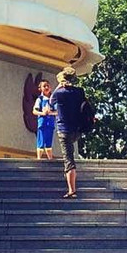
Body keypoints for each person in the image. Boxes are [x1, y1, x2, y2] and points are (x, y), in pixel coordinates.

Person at [50, 68, 89, 199]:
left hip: (64, 129)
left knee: (69, 159)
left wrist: (58, 86)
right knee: (70, 152)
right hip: (77, 129)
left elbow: (51, 102)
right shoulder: (79, 92)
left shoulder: (59, 93)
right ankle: (71, 184)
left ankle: (72, 190)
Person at [33, 79, 56, 160]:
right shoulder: (40, 99)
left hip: (50, 123)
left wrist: (51, 113)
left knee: (49, 141)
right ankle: (39, 158)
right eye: (44, 86)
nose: (46, 87)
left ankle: (50, 158)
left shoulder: (53, 100)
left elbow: (57, 111)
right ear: (40, 88)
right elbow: (34, 111)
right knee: (41, 140)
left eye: (48, 86)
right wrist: (43, 113)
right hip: (42, 123)